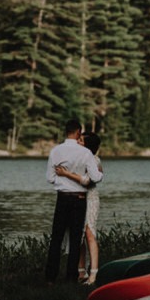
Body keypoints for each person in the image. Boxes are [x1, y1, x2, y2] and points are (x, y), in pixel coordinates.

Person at [44, 119, 103, 283]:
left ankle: (50, 278)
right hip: (79, 198)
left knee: (56, 237)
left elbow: (49, 178)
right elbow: (97, 177)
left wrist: (63, 182)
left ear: (66, 131)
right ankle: (71, 278)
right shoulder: (86, 153)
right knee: (76, 238)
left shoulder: (56, 151)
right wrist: (79, 181)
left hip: (62, 198)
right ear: (78, 132)